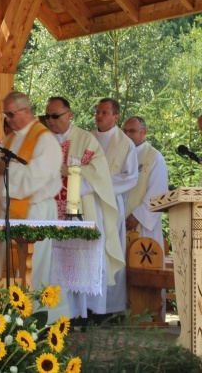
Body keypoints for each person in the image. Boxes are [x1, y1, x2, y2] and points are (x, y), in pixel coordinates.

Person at [45, 97, 123, 320]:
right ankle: (57, 313)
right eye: (47, 116)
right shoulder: (43, 141)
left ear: (69, 115)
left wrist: (70, 170)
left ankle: (85, 312)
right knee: (55, 263)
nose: (50, 121)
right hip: (51, 211)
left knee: (81, 262)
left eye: (55, 116)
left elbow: (99, 174)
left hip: (82, 209)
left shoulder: (85, 139)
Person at [0, 92, 68, 321]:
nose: (8, 119)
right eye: (6, 114)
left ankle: (38, 318)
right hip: (12, 212)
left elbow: (39, 175)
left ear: (26, 111)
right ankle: (13, 314)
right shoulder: (11, 138)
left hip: (36, 211)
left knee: (35, 266)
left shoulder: (44, 139)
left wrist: (6, 171)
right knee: (14, 265)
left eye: (12, 114)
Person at [93, 98, 138, 315]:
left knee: (109, 253)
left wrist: (100, 184)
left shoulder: (125, 143)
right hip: (88, 204)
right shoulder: (88, 139)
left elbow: (131, 177)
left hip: (110, 204)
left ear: (116, 116)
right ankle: (89, 305)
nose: (99, 116)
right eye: (97, 111)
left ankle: (111, 308)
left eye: (104, 112)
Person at [123, 116, 168, 248]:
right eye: (124, 131)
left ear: (143, 133)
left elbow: (158, 191)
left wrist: (138, 216)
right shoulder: (120, 154)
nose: (127, 135)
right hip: (119, 221)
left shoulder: (155, 157)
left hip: (140, 224)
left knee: (141, 261)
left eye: (132, 131)